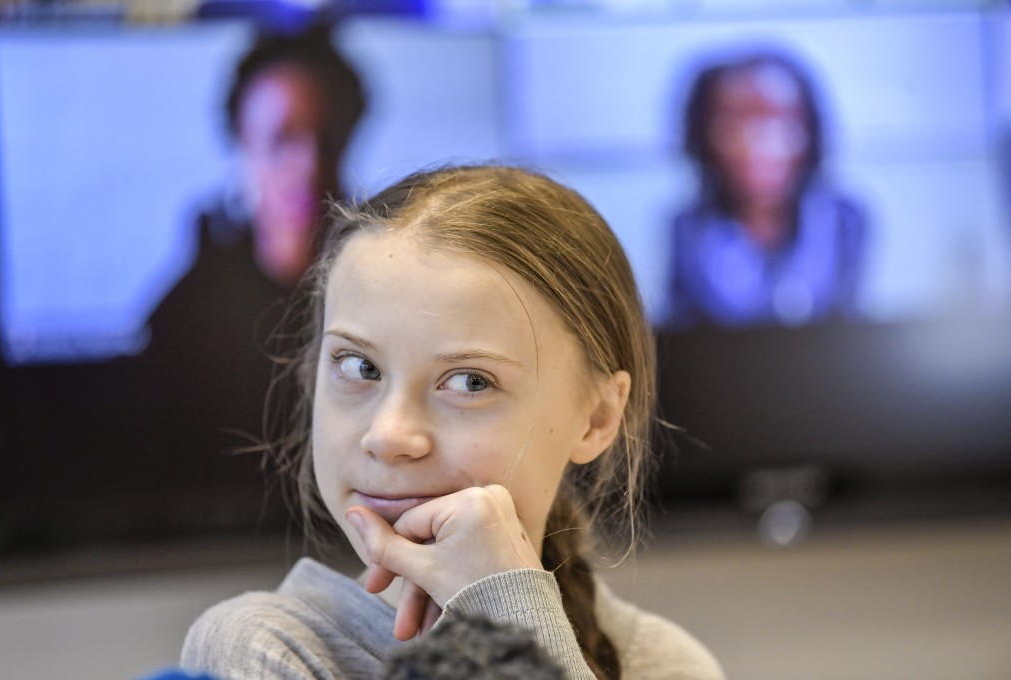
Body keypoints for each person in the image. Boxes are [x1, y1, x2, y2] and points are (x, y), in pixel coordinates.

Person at [180, 164, 724, 680]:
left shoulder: (665, 663)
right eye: (359, 367)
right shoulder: (258, 646)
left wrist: (507, 609)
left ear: (597, 418)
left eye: (470, 382)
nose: (389, 435)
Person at [137, 27, 366, 515]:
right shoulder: (181, 318)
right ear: (242, 147)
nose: (307, 165)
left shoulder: (391, 295)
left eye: (325, 140)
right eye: (282, 139)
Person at [665, 49, 867, 329]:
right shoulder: (688, 231)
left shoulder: (844, 222)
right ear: (702, 135)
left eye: (779, 122)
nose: (757, 143)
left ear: (810, 131)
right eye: (733, 125)